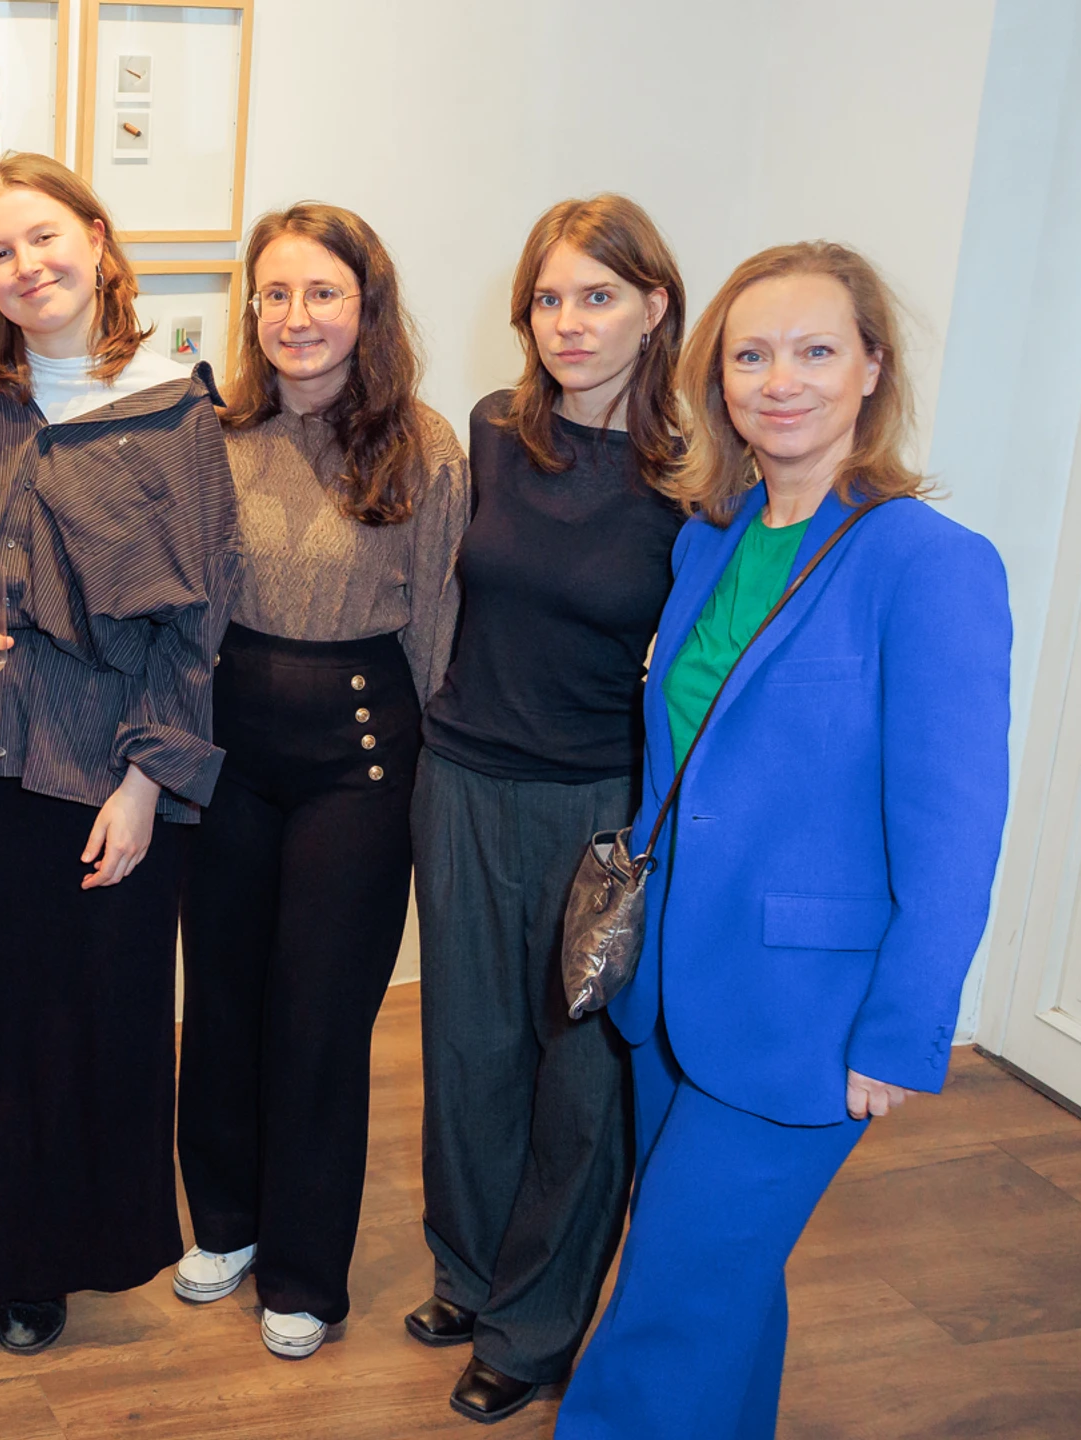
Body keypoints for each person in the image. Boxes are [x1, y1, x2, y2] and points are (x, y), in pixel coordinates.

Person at [559, 243, 1011, 1439]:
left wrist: (902, 1029)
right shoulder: (711, 538)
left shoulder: (929, 566)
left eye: (815, 350)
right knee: (721, 1292)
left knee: (662, 1312)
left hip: (804, 1019)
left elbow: (955, 831)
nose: (780, 380)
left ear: (871, 368)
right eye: (751, 355)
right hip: (673, 990)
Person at [0, 152, 238, 1355]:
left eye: (43, 237)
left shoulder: (177, 411)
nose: (25, 265)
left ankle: (40, 1264)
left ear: (95, 239)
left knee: (70, 1022)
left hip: (99, 772)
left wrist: (148, 784)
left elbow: (198, 623)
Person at [404, 195, 686, 1425]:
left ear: (654, 307)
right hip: (463, 779)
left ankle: (533, 1327)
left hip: (597, 805)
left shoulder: (694, 476)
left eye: (598, 296)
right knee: (466, 1051)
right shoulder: (493, 431)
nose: (568, 322)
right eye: (549, 298)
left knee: (579, 1079)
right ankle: (469, 1275)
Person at [175, 202, 468, 1361]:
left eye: (323, 293)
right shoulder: (217, 436)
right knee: (222, 998)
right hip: (230, 744)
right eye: (276, 293)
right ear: (252, 308)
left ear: (366, 306)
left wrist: (433, 794)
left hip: (360, 757)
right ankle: (227, 1224)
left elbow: (437, 632)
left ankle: (304, 1271)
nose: (297, 316)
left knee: (318, 1017)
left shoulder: (423, 447)